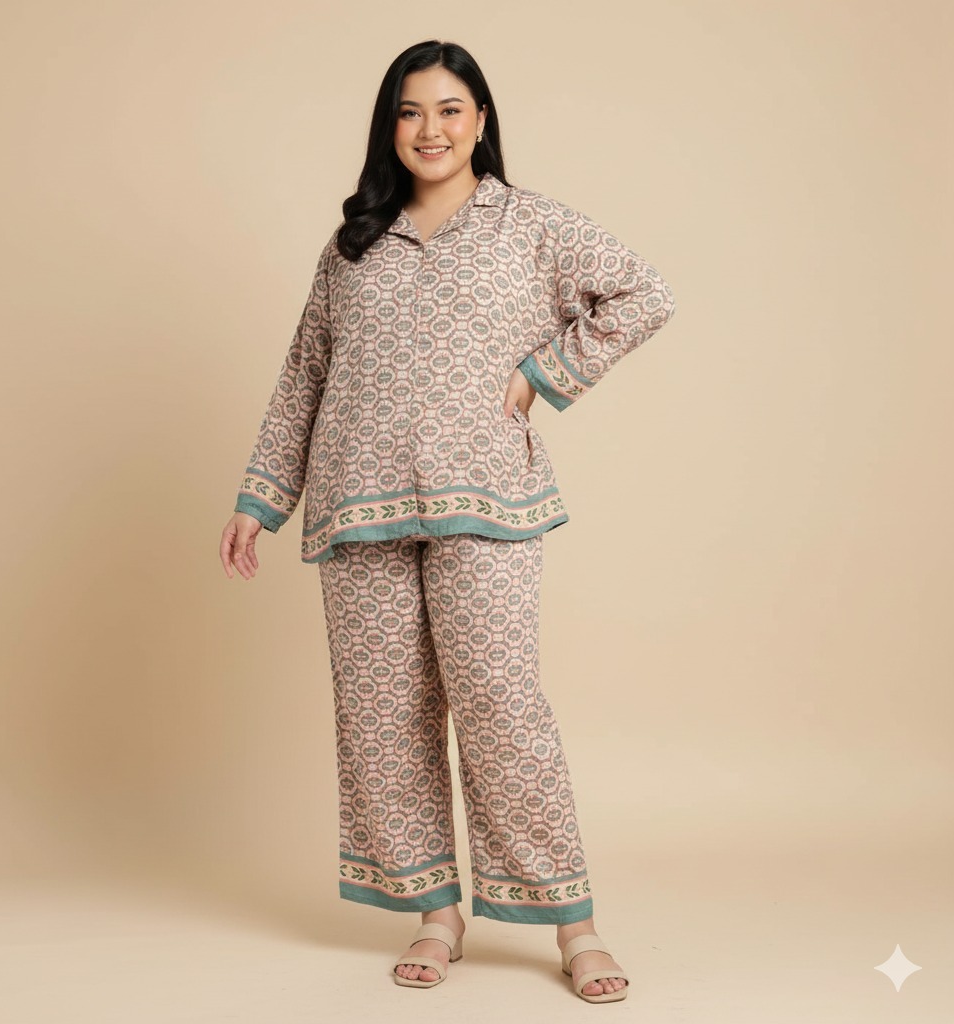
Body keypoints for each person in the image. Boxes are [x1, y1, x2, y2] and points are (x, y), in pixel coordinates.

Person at [219, 39, 675, 1004]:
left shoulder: (529, 224)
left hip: (486, 498)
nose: (430, 129)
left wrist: (545, 373)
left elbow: (645, 291)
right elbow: (305, 374)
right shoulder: (353, 246)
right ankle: (436, 914)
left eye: (449, 109)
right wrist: (261, 498)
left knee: (502, 706)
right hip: (356, 502)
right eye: (410, 111)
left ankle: (575, 926)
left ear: (480, 120)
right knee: (384, 719)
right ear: (390, 126)